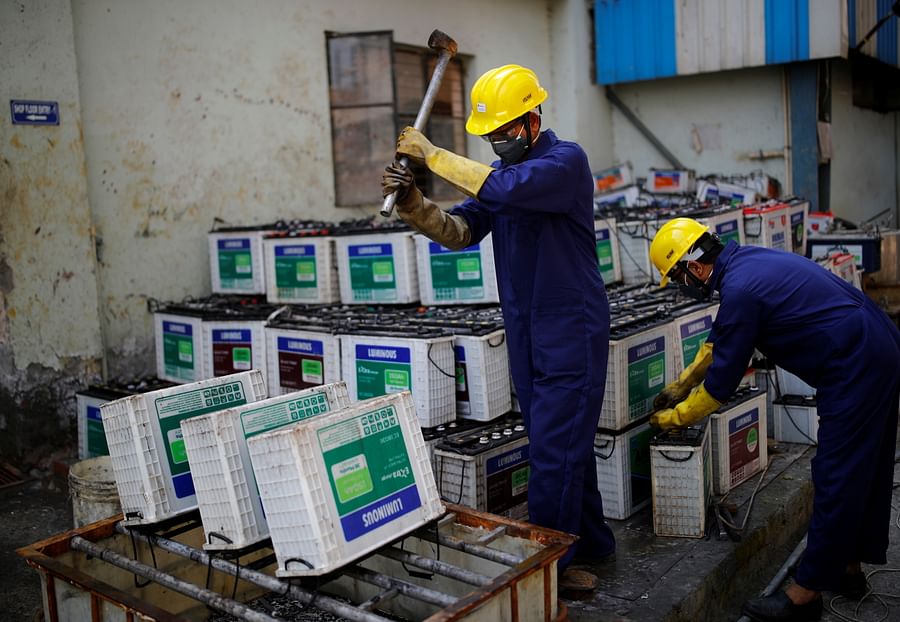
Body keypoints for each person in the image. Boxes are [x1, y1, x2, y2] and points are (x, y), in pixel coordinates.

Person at [381, 64, 615, 591]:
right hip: (528, 330)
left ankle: (548, 569)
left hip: (570, 330)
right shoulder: (496, 177)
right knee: (561, 441)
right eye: (491, 135)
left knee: (553, 452)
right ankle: (593, 541)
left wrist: (432, 155)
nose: (498, 141)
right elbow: (461, 229)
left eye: (505, 131)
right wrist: (415, 202)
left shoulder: (564, 161)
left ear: (534, 118)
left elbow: (502, 188)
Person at [648, 217, 900, 622]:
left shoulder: (741, 289)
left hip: (855, 362)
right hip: (879, 342)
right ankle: (849, 569)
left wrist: (672, 419)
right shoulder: (744, 263)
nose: (683, 288)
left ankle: (805, 595)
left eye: (678, 278)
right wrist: (680, 385)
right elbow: (719, 342)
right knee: (865, 466)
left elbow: (719, 387)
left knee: (836, 474)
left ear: (694, 269)